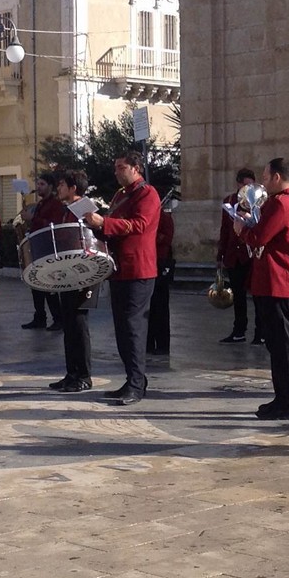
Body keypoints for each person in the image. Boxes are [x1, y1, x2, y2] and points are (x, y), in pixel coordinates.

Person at [86, 151, 161, 406]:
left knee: (133, 329)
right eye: (115, 167)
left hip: (138, 269)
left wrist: (104, 223)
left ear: (136, 168)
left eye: (121, 167)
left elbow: (139, 225)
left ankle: (136, 384)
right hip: (119, 269)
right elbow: (115, 227)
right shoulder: (120, 195)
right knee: (121, 329)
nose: (116, 172)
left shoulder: (147, 194)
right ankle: (133, 378)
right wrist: (97, 226)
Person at [237, 157, 289, 421]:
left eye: (265, 177)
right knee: (276, 345)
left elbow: (259, 237)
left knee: (283, 345)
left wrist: (241, 229)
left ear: (277, 177)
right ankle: (281, 399)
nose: (263, 182)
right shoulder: (287, 201)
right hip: (274, 281)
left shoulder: (281, 203)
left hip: (280, 282)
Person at [47, 170, 97, 392]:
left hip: (83, 274)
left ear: (73, 188)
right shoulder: (66, 210)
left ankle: (84, 375)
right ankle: (71, 373)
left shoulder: (86, 208)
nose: (58, 189)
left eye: (61, 185)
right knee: (69, 324)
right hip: (67, 273)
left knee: (78, 325)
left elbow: (92, 239)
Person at [216, 168, 264, 344]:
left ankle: (261, 332)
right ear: (238, 184)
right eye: (245, 185)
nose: (248, 189)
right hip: (233, 254)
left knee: (257, 296)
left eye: (251, 185)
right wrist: (220, 255)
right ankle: (239, 331)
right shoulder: (229, 201)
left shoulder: (258, 202)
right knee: (238, 295)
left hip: (250, 255)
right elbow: (224, 230)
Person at [22, 173, 65, 330]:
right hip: (37, 246)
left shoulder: (55, 204)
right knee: (36, 284)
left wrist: (33, 219)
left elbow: (54, 224)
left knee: (49, 285)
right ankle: (39, 316)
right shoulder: (41, 204)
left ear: (50, 187)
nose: (38, 187)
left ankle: (58, 318)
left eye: (42, 184)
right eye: (38, 184)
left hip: (48, 248)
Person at [147, 193, 176, 357]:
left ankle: (163, 344)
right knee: (148, 308)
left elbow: (166, 238)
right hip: (150, 262)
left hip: (161, 262)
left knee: (161, 308)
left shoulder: (164, 218)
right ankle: (149, 343)